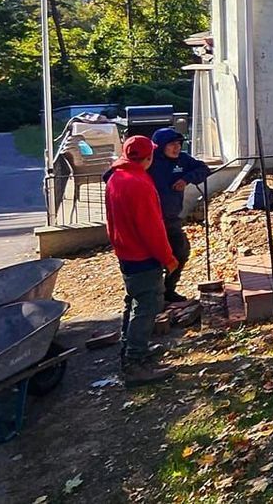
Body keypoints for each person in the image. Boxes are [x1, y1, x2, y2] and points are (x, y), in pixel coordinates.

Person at [104, 135, 178, 385]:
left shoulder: (116, 177)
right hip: (142, 255)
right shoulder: (138, 183)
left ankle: (132, 354)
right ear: (148, 157)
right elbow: (152, 229)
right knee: (146, 307)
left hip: (126, 252)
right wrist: (167, 258)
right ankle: (135, 364)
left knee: (133, 303)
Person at [147, 128, 211, 304]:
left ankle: (169, 290)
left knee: (180, 253)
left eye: (179, 144)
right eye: (171, 144)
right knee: (154, 260)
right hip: (150, 221)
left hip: (172, 219)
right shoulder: (149, 160)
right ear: (160, 146)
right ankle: (153, 297)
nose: (176, 148)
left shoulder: (182, 159)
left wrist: (186, 179)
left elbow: (204, 169)